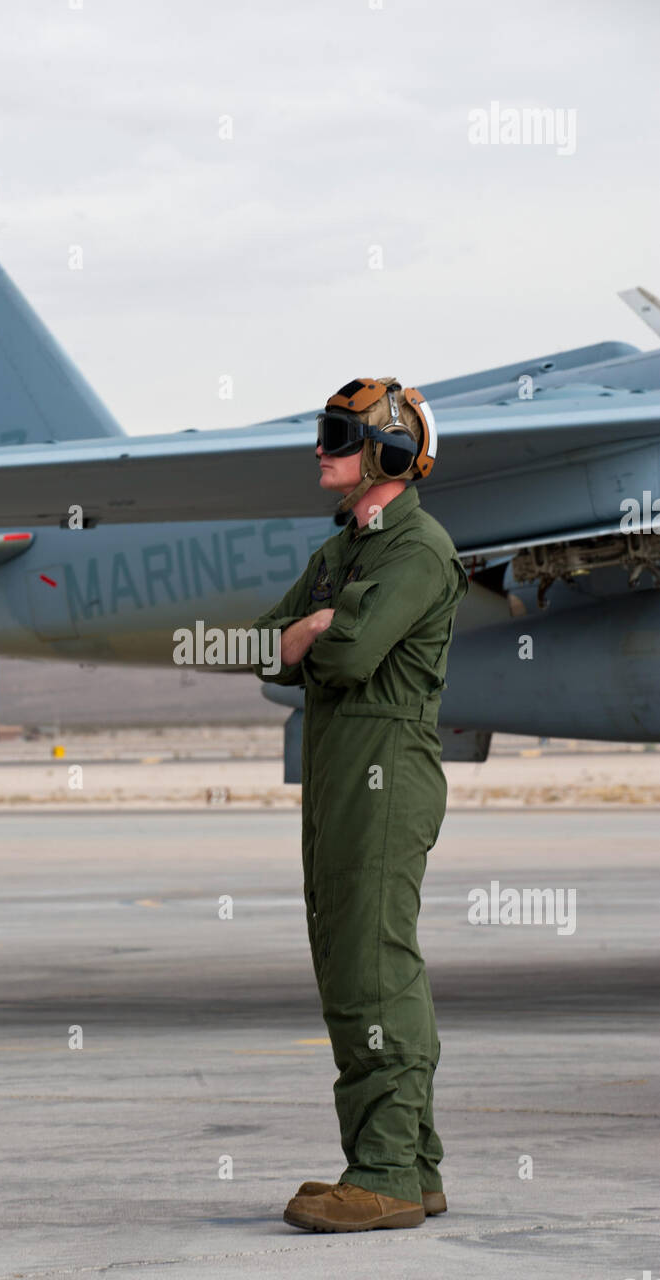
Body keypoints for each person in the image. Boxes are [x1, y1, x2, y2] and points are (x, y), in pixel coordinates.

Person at [250, 377, 468, 1233]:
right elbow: (262, 648)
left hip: (385, 769)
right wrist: (308, 630)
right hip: (337, 771)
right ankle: (410, 1167)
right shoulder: (342, 552)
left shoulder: (414, 552)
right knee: (347, 958)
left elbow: (342, 660)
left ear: (386, 451)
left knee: (373, 962)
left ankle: (380, 1172)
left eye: (337, 436)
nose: (319, 450)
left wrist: (312, 636)